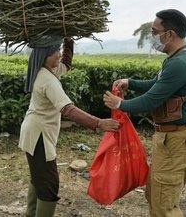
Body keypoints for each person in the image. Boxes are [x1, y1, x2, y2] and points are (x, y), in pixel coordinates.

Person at [103, 9, 186, 217]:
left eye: (155, 32)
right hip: (170, 138)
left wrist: (120, 104)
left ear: (170, 34)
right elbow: (158, 85)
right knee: (156, 195)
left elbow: (150, 100)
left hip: (177, 141)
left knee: (163, 204)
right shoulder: (175, 59)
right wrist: (130, 83)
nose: (152, 37)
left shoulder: (181, 63)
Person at [19, 36, 120, 217]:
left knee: (39, 177)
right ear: (44, 55)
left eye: (58, 50)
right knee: (49, 186)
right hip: (38, 136)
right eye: (54, 52)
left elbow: (66, 64)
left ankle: (31, 214)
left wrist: (68, 42)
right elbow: (68, 110)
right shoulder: (47, 80)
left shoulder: (46, 70)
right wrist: (99, 123)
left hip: (35, 132)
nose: (58, 55)